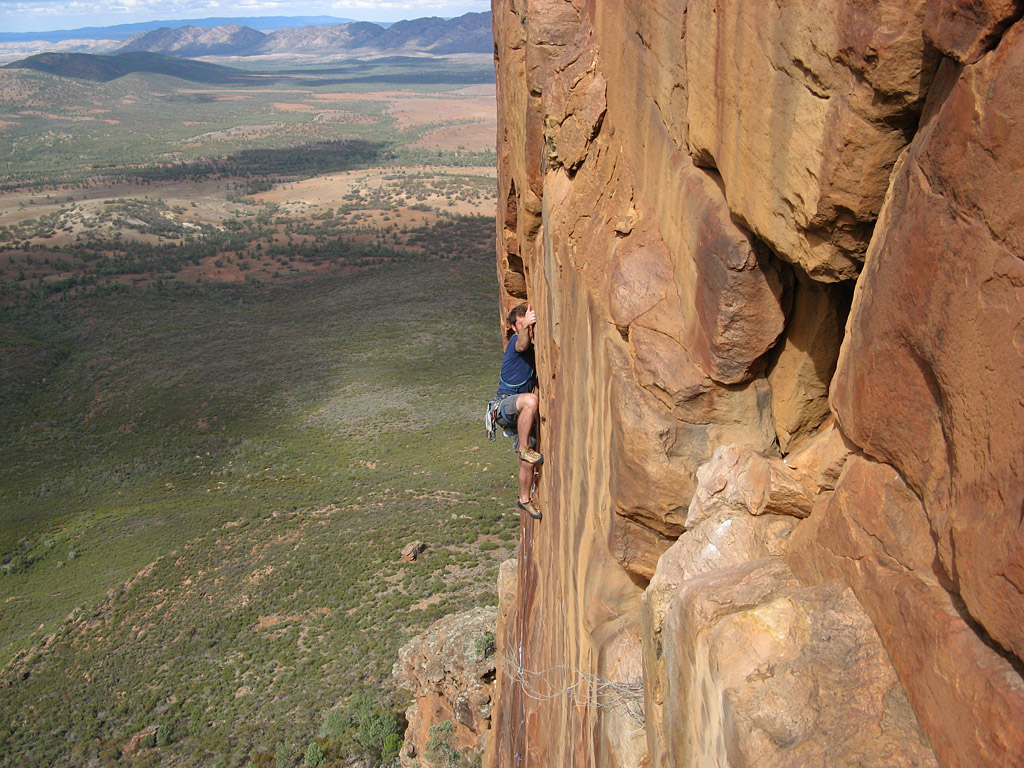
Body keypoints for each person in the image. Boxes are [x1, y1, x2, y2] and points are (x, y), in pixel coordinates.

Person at [495, 303, 543, 519]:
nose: (526, 326)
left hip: (518, 414)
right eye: (521, 323)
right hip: (504, 405)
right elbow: (522, 344)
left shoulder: (532, 351)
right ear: (515, 328)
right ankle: (524, 447)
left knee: (528, 459)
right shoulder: (516, 341)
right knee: (531, 401)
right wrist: (526, 327)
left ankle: (524, 500)